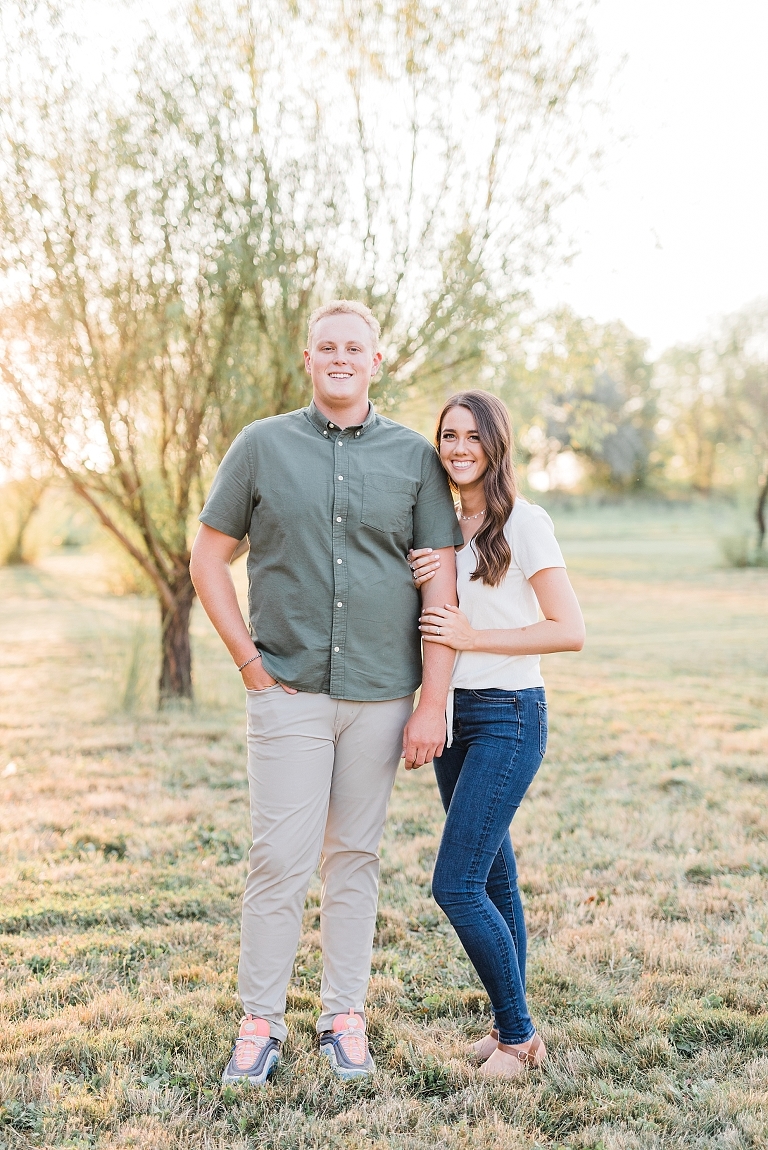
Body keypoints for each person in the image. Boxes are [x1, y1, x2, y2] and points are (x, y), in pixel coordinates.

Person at [189, 300, 462, 1085]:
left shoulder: (414, 459)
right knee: (279, 857)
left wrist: (433, 699)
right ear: (307, 359)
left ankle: (345, 1015)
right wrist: (247, 662)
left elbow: (440, 586)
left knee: (355, 858)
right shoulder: (261, 446)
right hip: (288, 690)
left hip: (381, 697)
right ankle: (259, 1022)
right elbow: (209, 559)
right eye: (327, 346)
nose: (340, 357)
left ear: (377, 362)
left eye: (355, 347)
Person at [408, 390, 585, 1079]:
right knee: (495, 875)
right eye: (447, 436)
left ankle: (520, 1039)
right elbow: (439, 608)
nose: (457, 448)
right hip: (456, 717)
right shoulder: (448, 526)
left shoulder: (526, 523)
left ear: (495, 445)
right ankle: (505, 1023)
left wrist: (479, 636)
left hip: (510, 716)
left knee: (455, 885)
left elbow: (569, 629)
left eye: (471, 437)